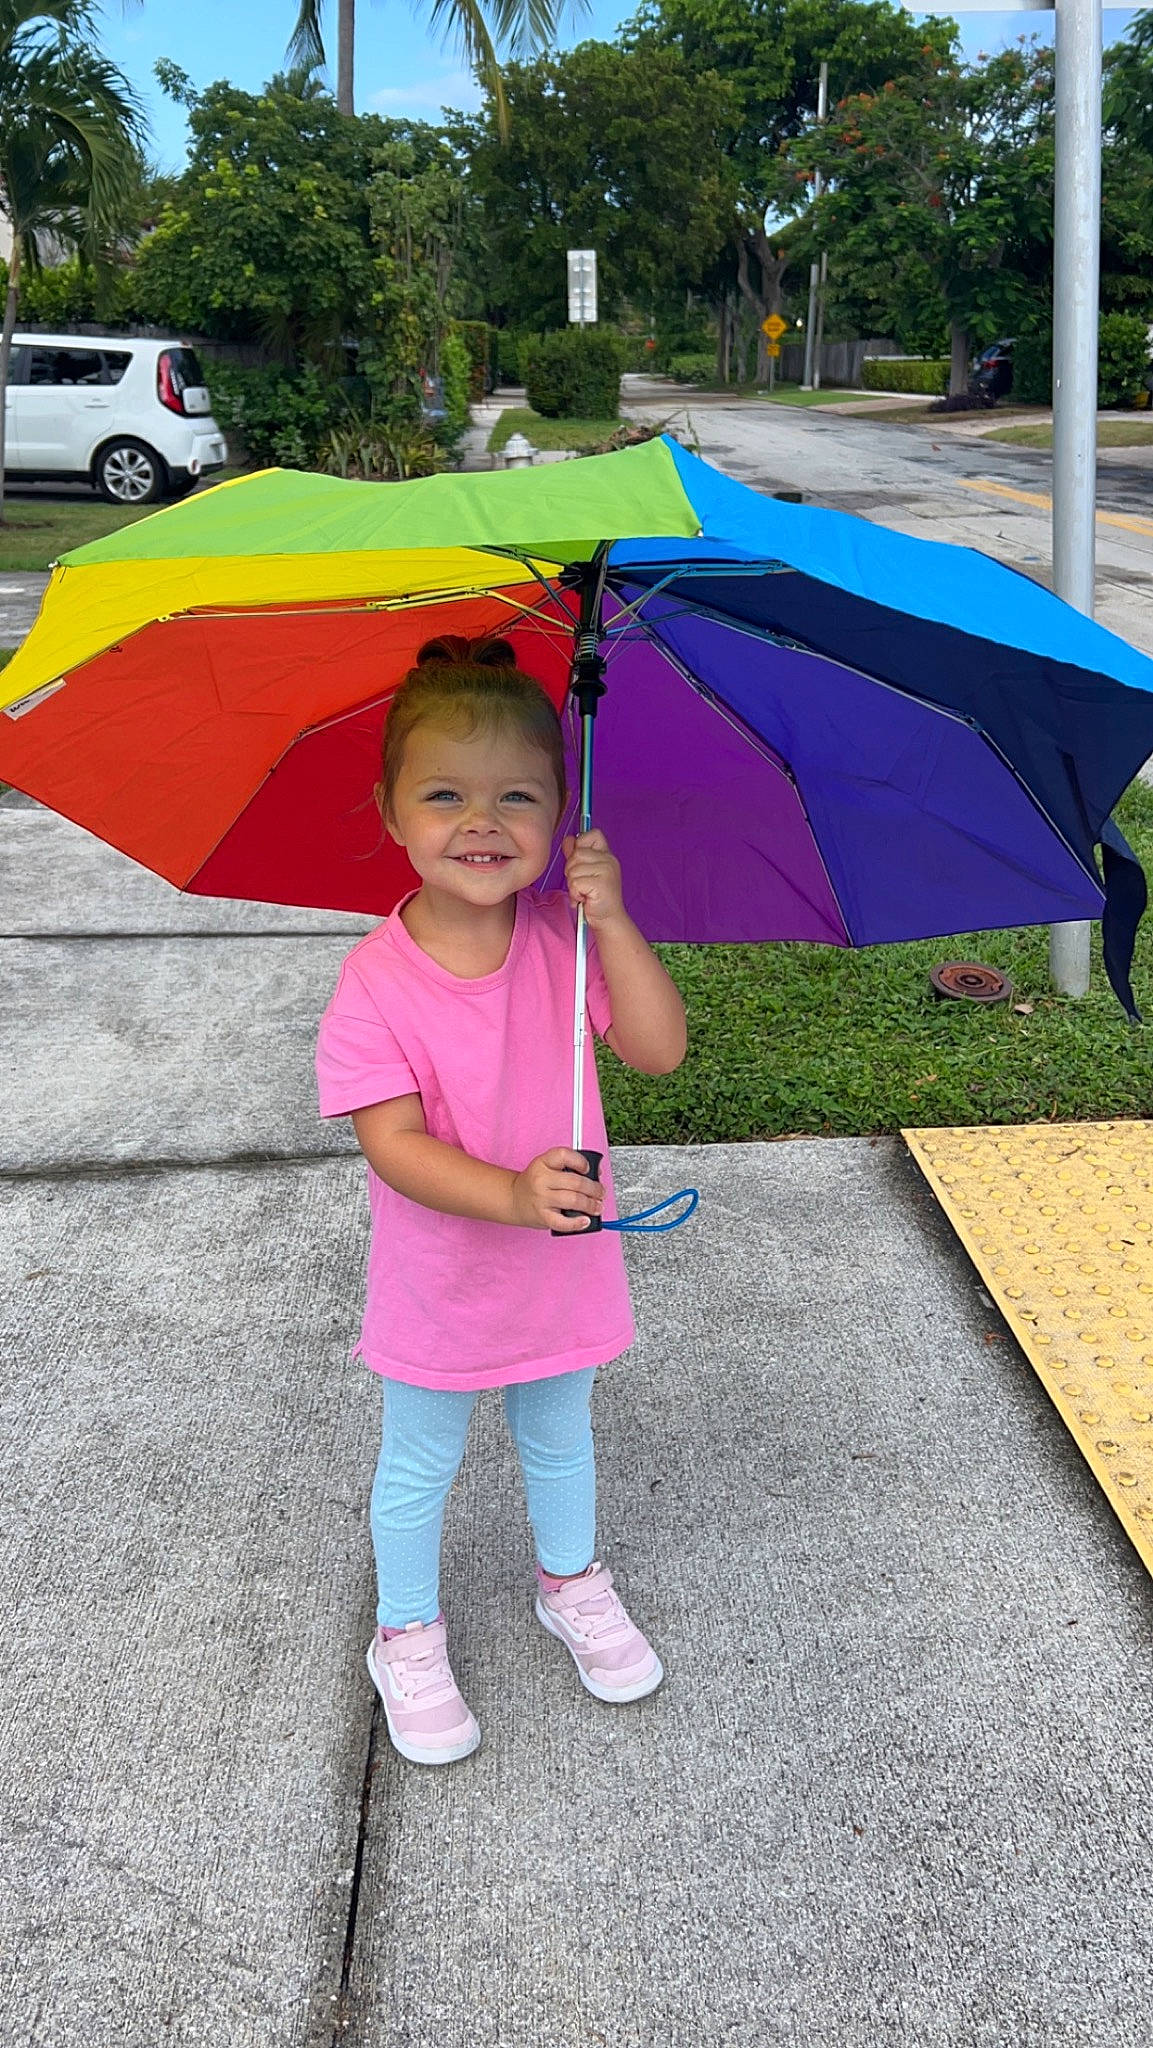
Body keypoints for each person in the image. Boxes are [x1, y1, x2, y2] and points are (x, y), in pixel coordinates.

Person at [315, 634, 687, 1766]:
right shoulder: (376, 980)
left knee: (559, 1432)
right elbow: (394, 1145)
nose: (482, 822)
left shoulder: (566, 939)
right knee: (421, 1456)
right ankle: (406, 1629)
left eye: (517, 796)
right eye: (445, 794)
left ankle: (569, 1578)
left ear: (560, 812)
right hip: (443, 1280)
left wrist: (613, 918)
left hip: (558, 1268)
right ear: (390, 812)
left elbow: (661, 1051)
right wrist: (512, 1195)